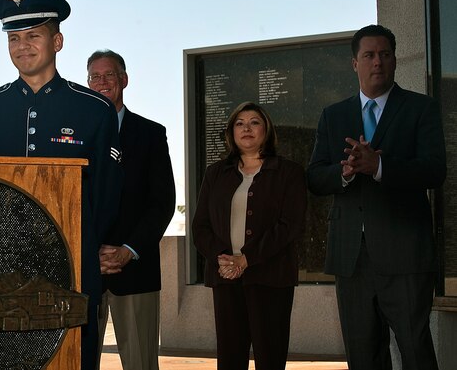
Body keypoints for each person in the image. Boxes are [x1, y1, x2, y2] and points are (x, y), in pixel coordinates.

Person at [0, 0, 122, 370]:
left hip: (72, 268)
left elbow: (106, 191)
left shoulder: (94, 110)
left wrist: (83, 245)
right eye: (14, 38)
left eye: (33, 35)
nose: (22, 46)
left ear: (57, 41)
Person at [307, 24, 445, 370]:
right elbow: (314, 177)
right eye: (369, 55)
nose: (377, 62)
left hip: (406, 255)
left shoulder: (421, 109)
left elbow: (434, 171)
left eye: (384, 54)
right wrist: (344, 172)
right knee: (363, 355)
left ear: (395, 60)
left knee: (415, 350)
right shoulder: (333, 115)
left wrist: (380, 165)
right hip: (351, 259)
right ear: (355, 63)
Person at [191, 101, 306, 370]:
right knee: (230, 359)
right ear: (231, 132)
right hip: (225, 278)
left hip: (271, 278)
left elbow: (290, 225)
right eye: (240, 123)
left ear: (267, 130)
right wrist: (222, 258)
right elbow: (201, 226)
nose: (247, 128)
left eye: (254, 122)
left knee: (271, 357)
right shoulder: (215, 173)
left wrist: (246, 259)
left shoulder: (289, 172)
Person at [86, 49, 176, 370]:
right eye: (94, 76)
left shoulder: (151, 134)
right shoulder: (72, 137)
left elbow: (162, 202)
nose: (102, 82)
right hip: (84, 275)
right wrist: (86, 253)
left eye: (109, 75)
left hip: (136, 272)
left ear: (124, 80)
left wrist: (129, 250)